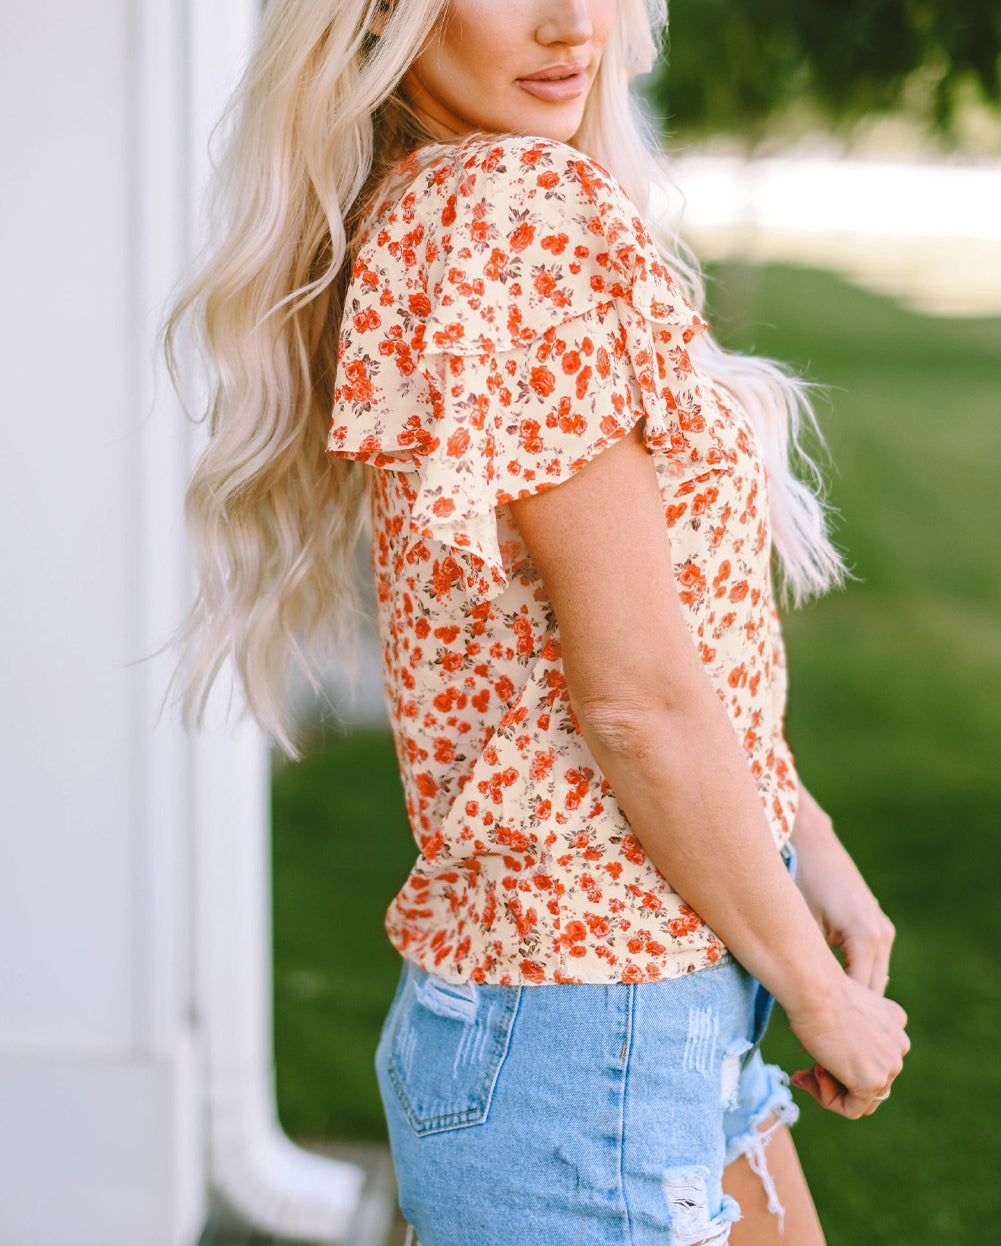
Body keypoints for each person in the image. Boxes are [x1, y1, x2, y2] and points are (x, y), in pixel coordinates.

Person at [166, 2, 910, 1242]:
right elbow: (628, 695)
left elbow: (659, 644)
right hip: (596, 1027)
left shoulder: (445, 207)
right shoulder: (508, 212)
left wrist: (802, 843)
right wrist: (817, 996)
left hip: (638, 995)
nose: (573, 22)